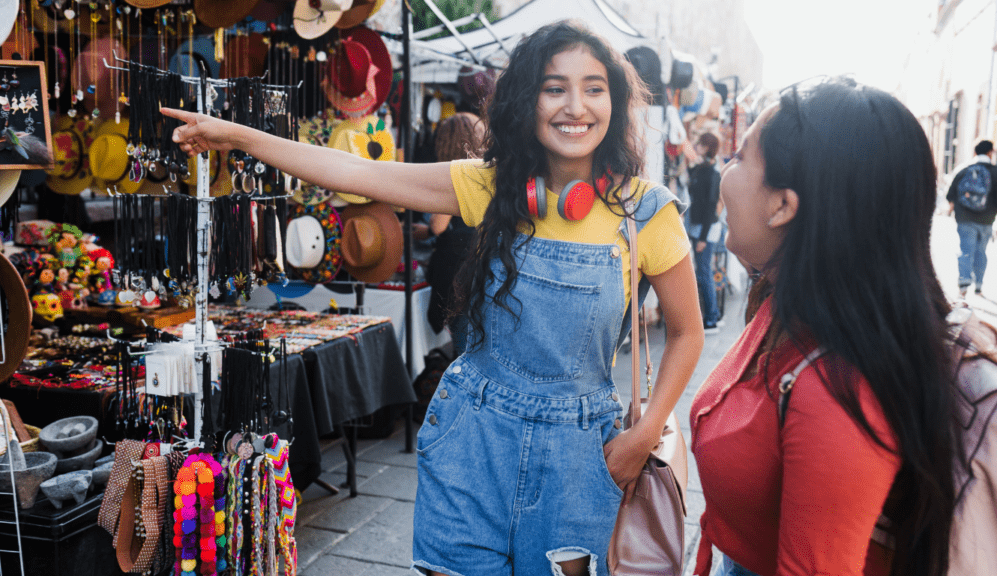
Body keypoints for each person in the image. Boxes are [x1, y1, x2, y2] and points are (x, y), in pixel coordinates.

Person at [163, 20, 704, 576]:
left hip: (580, 456)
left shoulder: (646, 212)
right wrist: (240, 136)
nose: (576, 106)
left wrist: (645, 432)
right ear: (527, 99)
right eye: (554, 87)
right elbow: (357, 171)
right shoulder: (488, 187)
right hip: (475, 437)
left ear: (615, 99)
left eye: (594, 87)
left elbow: (688, 332)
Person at [690, 78, 962, 576]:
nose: (727, 172)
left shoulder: (839, 390)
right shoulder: (786, 305)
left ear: (783, 207)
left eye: (741, 158)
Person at [424, 112, 486, 355]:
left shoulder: (458, 175)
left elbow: (438, 226)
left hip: (461, 274)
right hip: (485, 268)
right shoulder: (487, 170)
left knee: (464, 347)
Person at [945, 139, 997, 297]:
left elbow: (950, 195)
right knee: (981, 252)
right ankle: (979, 286)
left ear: (975, 152)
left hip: (965, 218)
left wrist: (951, 211)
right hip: (987, 220)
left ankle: (963, 286)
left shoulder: (963, 170)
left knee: (966, 250)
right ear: (990, 153)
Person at [685, 131, 722, 331]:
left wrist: (703, 238)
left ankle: (711, 319)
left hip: (705, 229)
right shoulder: (701, 169)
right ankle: (711, 314)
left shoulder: (713, 173)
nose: (697, 146)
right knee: (703, 271)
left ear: (706, 147)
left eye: (700, 144)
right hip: (697, 227)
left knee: (704, 273)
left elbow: (710, 206)